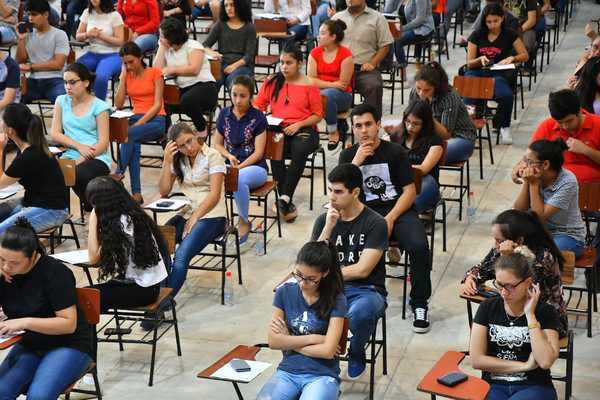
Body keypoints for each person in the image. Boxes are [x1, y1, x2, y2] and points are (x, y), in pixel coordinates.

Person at [339, 103, 432, 333]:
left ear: (378, 125)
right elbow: (340, 193)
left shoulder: (395, 152)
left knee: (420, 247)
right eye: (358, 126)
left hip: (397, 210)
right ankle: (369, 297)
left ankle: (419, 303)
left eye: (368, 124)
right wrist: (355, 164)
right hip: (362, 214)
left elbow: (409, 192)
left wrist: (389, 219)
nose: (364, 130)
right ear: (352, 128)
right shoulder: (348, 155)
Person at [0, 218, 93, 399]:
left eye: (14, 262)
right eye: (1, 259)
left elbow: (68, 324)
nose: (6, 266)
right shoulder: (4, 273)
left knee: (39, 396)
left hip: (69, 344)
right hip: (31, 344)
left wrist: (24, 321)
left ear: (33, 255)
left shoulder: (55, 273)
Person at [312, 163, 388, 379]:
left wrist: (324, 274)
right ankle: (319, 358)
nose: (332, 197)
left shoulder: (375, 223)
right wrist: (328, 228)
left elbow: (363, 270)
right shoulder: (323, 221)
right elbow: (312, 262)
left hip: (367, 290)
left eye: (338, 192)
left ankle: (355, 352)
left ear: (355, 192)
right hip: (330, 288)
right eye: (330, 191)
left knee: (359, 313)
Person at [257, 241, 347, 399]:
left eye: (311, 279)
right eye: (298, 274)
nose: (302, 283)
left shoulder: (336, 299)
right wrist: (315, 339)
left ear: (324, 273)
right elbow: (274, 342)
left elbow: (327, 352)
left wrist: (289, 341)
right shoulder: (284, 292)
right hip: (288, 371)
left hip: (322, 375)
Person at [460, 209, 568, 337]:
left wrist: (508, 257)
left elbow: (526, 291)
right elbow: (481, 269)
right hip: (515, 313)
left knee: (490, 332)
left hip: (546, 319)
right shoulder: (501, 249)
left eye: (499, 240)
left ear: (519, 240)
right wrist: (470, 278)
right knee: (483, 326)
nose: (495, 246)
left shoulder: (543, 257)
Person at [470, 251, 561, 400]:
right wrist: (524, 366)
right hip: (493, 385)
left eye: (510, 286)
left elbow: (545, 361)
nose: (504, 292)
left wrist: (530, 315)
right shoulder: (487, 307)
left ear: (527, 283)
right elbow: (476, 360)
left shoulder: (545, 311)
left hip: (534, 385)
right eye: (499, 285)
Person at [253, 44, 323, 222]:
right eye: (282, 62)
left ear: (299, 63)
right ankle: (285, 200)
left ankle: (283, 198)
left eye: (289, 63)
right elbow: (257, 106)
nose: (284, 66)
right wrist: (263, 117)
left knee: (300, 150)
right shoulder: (272, 81)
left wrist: (299, 125)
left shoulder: (309, 84)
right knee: (274, 147)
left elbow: (318, 115)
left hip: (305, 129)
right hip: (278, 127)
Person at [158, 122, 227, 299]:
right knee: (160, 244)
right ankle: (159, 295)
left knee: (181, 256)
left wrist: (196, 216)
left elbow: (215, 194)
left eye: (189, 141)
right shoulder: (177, 160)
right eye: (181, 145)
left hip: (213, 216)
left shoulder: (213, 156)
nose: (188, 148)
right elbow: (164, 191)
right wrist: (166, 161)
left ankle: (162, 304)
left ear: (195, 134)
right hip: (187, 212)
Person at [86, 176, 169, 312]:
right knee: (86, 297)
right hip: (137, 283)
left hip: (143, 289)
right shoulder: (128, 213)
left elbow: (93, 258)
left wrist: (93, 220)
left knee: (87, 298)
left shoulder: (123, 222)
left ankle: (87, 333)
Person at [214, 75, 267, 247]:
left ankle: (244, 220)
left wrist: (239, 167)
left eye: (242, 96)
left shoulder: (258, 117)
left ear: (251, 96)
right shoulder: (224, 114)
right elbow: (217, 144)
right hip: (231, 164)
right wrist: (228, 156)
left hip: (255, 168)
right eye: (234, 94)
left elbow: (258, 153)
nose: (237, 100)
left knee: (239, 179)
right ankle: (217, 224)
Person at [50, 63, 111, 211]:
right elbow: (55, 133)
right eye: (65, 82)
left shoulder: (100, 106)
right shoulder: (61, 101)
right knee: (50, 172)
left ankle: (92, 207)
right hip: (71, 153)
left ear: (86, 82)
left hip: (97, 156)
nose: (67, 87)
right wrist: (78, 147)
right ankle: (64, 211)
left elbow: (103, 142)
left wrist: (83, 157)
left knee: (76, 173)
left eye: (72, 82)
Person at [0, 103, 68, 234]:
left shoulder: (28, 156)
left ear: (10, 130)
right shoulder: (28, 148)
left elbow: (1, 182)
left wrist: (0, 149)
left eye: (2, 122)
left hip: (52, 211)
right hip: (33, 202)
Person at [466, 3, 528, 145]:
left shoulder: (509, 34)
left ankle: (504, 126)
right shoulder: (477, 34)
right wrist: (480, 59)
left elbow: (525, 55)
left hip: (498, 73)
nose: (492, 25)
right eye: (489, 22)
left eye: (495, 21)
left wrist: (512, 58)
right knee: (469, 90)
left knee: (506, 95)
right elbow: (469, 63)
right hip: (477, 71)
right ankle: (469, 129)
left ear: (502, 18)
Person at [113, 41, 166, 204]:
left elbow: (157, 105)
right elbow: (119, 104)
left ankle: (118, 173)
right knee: (132, 141)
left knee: (128, 135)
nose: (128, 66)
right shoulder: (127, 75)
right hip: (135, 117)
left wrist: (140, 123)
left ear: (140, 57)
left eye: (131, 62)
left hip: (156, 119)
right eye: (124, 63)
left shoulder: (155, 73)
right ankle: (137, 194)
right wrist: (122, 78)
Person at [513, 138, 586, 257]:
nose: (526, 165)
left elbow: (539, 217)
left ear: (545, 164)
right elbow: (519, 210)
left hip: (567, 235)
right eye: (525, 161)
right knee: (510, 244)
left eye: (529, 162)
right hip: (538, 232)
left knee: (544, 256)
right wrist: (527, 182)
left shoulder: (567, 181)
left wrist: (533, 184)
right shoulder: (535, 176)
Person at [512, 89, 600, 185]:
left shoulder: (597, 124)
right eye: (560, 122)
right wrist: (520, 166)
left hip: (593, 187)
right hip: (554, 188)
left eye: (569, 121)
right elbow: (531, 155)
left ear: (579, 111)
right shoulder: (547, 126)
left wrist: (586, 150)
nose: (565, 126)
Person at [154, 17, 218, 138]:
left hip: (205, 88)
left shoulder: (193, 46)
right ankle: (169, 136)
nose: (160, 39)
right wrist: (162, 47)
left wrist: (172, 69)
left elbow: (194, 69)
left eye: (162, 36)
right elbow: (157, 71)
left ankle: (202, 128)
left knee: (187, 100)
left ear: (172, 37)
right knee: (163, 103)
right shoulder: (167, 49)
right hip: (184, 91)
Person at [331, 0, 394, 116]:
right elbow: (327, 44)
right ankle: (337, 125)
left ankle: (371, 123)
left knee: (374, 85)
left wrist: (373, 63)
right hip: (339, 68)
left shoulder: (377, 18)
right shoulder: (336, 18)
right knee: (326, 88)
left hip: (364, 68)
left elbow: (385, 46)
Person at [408, 61, 476, 164]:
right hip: (429, 138)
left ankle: (422, 176)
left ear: (436, 87)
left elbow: (446, 134)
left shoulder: (449, 96)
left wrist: (427, 114)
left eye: (427, 90)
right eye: (418, 88)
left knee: (425, 156)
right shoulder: (415, 93)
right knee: (400, 150)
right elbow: (410, 119)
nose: (421, 93)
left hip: (460, 137)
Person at [307, 19, 353, 151]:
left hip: (342, 96)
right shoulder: (315, 53)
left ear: (333, 37)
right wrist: (333, 84)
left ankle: (333, 131)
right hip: (319, 94)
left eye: (322, 33)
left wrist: (321, 84)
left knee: (326, 96)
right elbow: (311, 80)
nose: (318, 36)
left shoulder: (346, 55)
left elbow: (343, 85)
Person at [390, 100, 443, 213]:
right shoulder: (396, 136)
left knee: (410, 203)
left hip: (424, 180)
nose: (410, 127)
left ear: (425, 124)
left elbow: (423, 169)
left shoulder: (434, 141)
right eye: (407, 122)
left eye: (416, 124)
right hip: (400, 180)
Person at [16, 0, 69, 104]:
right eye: (29, 14)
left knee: (64, 103)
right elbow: (20, 60)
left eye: (34, 14)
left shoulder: (59, 34)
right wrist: (21, 40)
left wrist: (31, 67)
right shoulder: (28, 34)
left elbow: (58, 64)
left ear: (46, 15)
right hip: (32, 81)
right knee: (13, 99)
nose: (30, 18)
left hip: (55, 80)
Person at [75, 0, 126, 101]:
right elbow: (78, 36)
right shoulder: (87, 12)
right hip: (92, 53)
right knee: (74, 70)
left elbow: (120, 41)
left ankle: (100, 106)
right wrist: (87, 34)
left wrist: (100, 35)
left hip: (112, 54)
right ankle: (80, 102)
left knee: (101, 76)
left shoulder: (114, 15)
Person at [202, 0, 256, 89]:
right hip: (222, 63)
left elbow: (249, 55)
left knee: (234, 82)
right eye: (226, 6)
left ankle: (236, 102)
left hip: (242, 65)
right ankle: (212, 103)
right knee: (211, 82)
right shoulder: (220, 24)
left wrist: (233, 66)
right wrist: (211, 52)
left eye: (232, 5)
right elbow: (204, 45)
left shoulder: (249, 27)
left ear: (239, 6)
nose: (229, 8)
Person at [393, 0, 435, 67]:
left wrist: (403, 28)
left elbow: (419, 20)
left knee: (398, 39)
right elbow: (395, 11)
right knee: (389, 36)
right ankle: (391, 62)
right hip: (412, 27)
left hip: (424, 28)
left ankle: (402, 63)